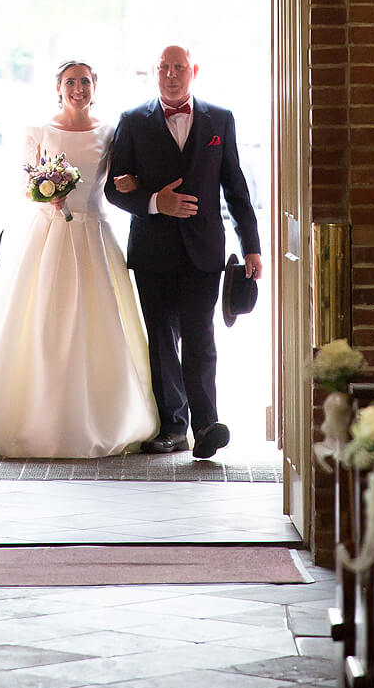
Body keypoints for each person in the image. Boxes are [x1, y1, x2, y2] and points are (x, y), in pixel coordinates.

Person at [0, 60, 159, 458]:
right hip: (46, 236)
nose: (78, 88)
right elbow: (26, 185)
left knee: (97, 324)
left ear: (95, 86)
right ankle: (32, 418)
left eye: (85, 81)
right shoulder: (39, 130)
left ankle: (103, 418)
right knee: (39, 322)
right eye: (70, 82)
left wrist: (131, 182)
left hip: (92, 234)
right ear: (58, 87)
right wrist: (45, 193)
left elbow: (122, 176)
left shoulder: (109, 131)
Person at [105, 43, 262, 459]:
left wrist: (252, 247)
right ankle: (172, 427)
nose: (171, 75)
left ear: (193, 70)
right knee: (161, 340)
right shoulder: (132, 121)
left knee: (200, 337)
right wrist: (156, 201)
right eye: (163, 68)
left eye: (178, 68)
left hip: (205, 251)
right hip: (152, 251)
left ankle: (206, 424)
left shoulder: (220, 119)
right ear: (153, 73)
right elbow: (112, 188)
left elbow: (236, 188)